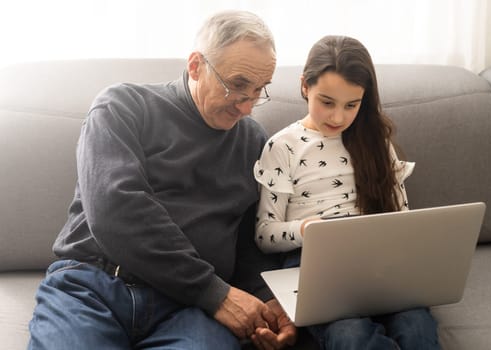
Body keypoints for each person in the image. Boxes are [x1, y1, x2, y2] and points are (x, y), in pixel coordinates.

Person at [28, 10, 297, 350]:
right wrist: (215, 294)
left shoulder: (253, 141)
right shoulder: (122, 106)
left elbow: (247, 242)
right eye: (238, 85)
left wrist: (268, 302)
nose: (247, 107)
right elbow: (116, 211)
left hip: (188, 309)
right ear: (196, 65)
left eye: (260, 90)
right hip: (94, 284)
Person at [253, 35, 440, 350]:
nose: (338, 117)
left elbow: (403, 220)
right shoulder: (283, 146)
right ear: (304, 86)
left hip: (379, 258)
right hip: (313, 260)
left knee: (416, 326)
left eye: (351, 105)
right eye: (327, 102)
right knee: (349, 335)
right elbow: (264, 234)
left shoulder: (375, 142)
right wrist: (306, 229)